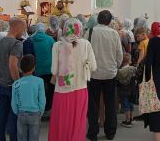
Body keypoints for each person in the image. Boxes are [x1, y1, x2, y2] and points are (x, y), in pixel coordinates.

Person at [48, 18, 97, 141]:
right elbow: (94, 67)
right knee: (78, 123)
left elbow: (54, 71)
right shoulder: (86, 44)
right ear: (79, 29)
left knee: (62, 121)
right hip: (80, 89)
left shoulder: (57, 45)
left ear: (64, 29)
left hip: (62, 89)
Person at [86, 10, 123, 141]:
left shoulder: (90, 32)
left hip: (93, 73)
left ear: (98, 20)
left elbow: (85, 51)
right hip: (109, 73)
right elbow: (119, 55)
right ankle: (110, 132)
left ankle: (93, 132)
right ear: (109, 21)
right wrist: (115, 67)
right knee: (110, 104)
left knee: (93, 104)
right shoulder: (114, 34)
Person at [0, 17, 26, 141]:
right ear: (17, 28)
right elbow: (13, 65)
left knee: (2, 116)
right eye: (23, 29)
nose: (23, 33)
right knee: (14, 117)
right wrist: (18, 83)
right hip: (12, 85)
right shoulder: (16, 44)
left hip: (0, 83)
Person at [11, 55, 46, 141]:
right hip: (35, 114)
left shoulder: (16, 84)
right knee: (34, 138)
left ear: (21, 68)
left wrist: (17, 112)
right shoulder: (39, 81)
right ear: (34, 67)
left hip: (21, 114)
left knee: (21, 138)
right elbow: (42, 100)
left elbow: (14, 102)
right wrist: (41, 111)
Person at [23, 23, 55, 112]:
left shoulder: (31, 39)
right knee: (50, 88)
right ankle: (48, 106)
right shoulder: (50, 39)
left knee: (37, 89)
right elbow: (55, 51)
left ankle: (37, 106)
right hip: (49, 68)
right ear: (44, 30)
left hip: (36, 69)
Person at [116, 53, 137, 128]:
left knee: (126, 106)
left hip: (123, 91)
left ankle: (127, 121)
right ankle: (131, 118)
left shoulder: (120, 72)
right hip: (132, 90)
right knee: (131, 104)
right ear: (130, 61)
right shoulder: (133, 69)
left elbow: (117, 80)